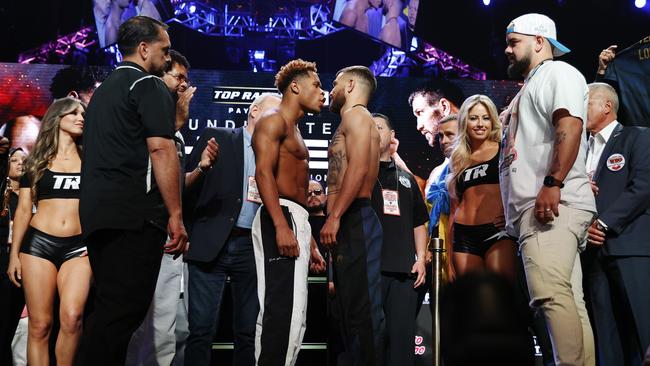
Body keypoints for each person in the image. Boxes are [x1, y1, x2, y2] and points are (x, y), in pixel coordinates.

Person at [79, 16, 187, 365]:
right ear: (144, 49)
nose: (167, 59)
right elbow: (161, 149)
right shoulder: (147, 85)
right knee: (120, 315)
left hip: (98, 215)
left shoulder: (104, 91)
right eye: (164, 50)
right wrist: (175, 214)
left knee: (109, 311)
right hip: (133, 217)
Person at [500, 13, 597, 365]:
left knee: (551, 296)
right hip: (543, 205)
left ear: (540, 42)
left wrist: (553, 182)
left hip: (550, 204)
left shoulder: (558, 73)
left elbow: (568, 124)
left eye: (514, 42)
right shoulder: (532, 85)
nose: (507, 50)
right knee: (568, 298)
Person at [126, 49, 213, 366]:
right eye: (178, 77)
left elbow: (171, 188)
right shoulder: (140, 127)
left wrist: (201, 168)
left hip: (165, 236)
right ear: (159, 77)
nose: (184, 86)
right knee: (138, 324)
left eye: (187, 81)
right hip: (141, 232)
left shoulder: (173, 136)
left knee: (167, 327)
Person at [182, 92, 280, 366]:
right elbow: (184, 190)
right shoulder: (218, 137)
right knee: (200, 330)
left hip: (252, 246)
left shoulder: (275, 153)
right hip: (211, 242)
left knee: (247, 332)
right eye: (274, 114)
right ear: (254, 111)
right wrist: (187, 232)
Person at [251, 59, 326, 365]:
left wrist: (309, 240)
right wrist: (281, 226)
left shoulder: (293, 127)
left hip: (294, 218)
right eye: (317, 85)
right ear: (295, 86)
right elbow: (263, 174)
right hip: (280, 215)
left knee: (295, 312)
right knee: (282, 309)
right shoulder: (273, 120)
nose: (323, 93)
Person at [5, 97, 90, 366]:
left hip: (78, 247)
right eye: (74, 113)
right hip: (38, 246)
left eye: (83, 113)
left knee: (73, 317)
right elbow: (23, 211)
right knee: (40, 325)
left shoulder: (91, 159)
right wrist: (14, 255)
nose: (81, 117)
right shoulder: (36, 162)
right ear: (57, 118)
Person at [582, 82, 650, 366]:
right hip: (592, 253)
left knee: (640, 330)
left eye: (585, 102)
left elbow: (644, 186)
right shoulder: (578, 148)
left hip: (629, 247)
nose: (578, 109)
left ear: (607, 106)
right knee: (605, 338)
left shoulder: (638, 137)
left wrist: (605, 222)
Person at [320, 65, 381, 365]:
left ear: (351, 84)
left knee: (362, 314)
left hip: (355, 216)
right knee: (345, 315)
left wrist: (334, 216)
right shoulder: (349, 120)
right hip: (346, 220)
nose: (330, 91)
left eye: (334, 83)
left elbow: (356, 168)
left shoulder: (358, 115)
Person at [371, 113, 428, 366]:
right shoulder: (357, 173)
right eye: (369, 128)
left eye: (379, 127)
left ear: (392, 136)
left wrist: (421, 260)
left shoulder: (406, 179)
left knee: (402, 343)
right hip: (369, 270)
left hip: (404, 271)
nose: (374, 131)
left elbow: (419, 221)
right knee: (370, 340)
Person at [446, 95, 516, 280]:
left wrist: (511, 216)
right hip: (463, 236)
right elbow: (454, 208)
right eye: (473, 118)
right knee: (473, 301)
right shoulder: (458, 158)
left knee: (501, 296)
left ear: (492, 120)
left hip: (497, 232)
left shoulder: (504, 149)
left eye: (485, 118)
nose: (480, 124)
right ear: (464, 122)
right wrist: (449, 254)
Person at [0, 147, 26, 365]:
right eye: (14, 159)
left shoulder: (31, 196)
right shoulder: (3, 197)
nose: (20, 163)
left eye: (23, 160)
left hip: (27, 264)